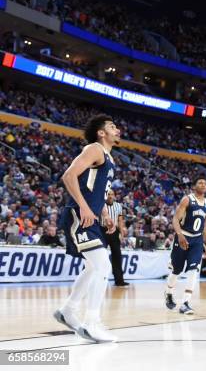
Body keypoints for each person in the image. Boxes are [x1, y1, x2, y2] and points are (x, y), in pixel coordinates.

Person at [53, 114, 120, 343]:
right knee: (102, 266)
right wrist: (83, 207)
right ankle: (91, 322)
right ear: (102, 133)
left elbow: (95, 192)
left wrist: (104, 215)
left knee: (93, 267)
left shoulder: (109, 158)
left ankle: (68, 310)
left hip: (89, 217)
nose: (117, 130)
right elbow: (68, 175)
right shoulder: (95, 149)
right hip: (77, 215)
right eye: (112, 127)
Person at [164, 178, 206, 315]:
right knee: (176, 270)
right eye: (200, 182)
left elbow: (205, 226)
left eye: (205, 183)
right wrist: (179, 234)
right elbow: (175, 219)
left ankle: (185, 303)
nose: (203, 184)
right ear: (195, 186)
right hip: (183, 237)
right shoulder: (187, 199)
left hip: (197, 241)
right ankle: (168, 292)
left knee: (194, 270)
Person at [104, 190, 129, 287]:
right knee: (99, 254)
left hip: (115, 232)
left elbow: (120, 220)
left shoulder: (118, 206)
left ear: (114, 196)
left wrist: (122, 234)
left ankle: (119, 280)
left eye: (112, 194)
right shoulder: (101, 205)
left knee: (117, 256)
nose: (110, 196)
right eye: (108, 194)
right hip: (103, 231)